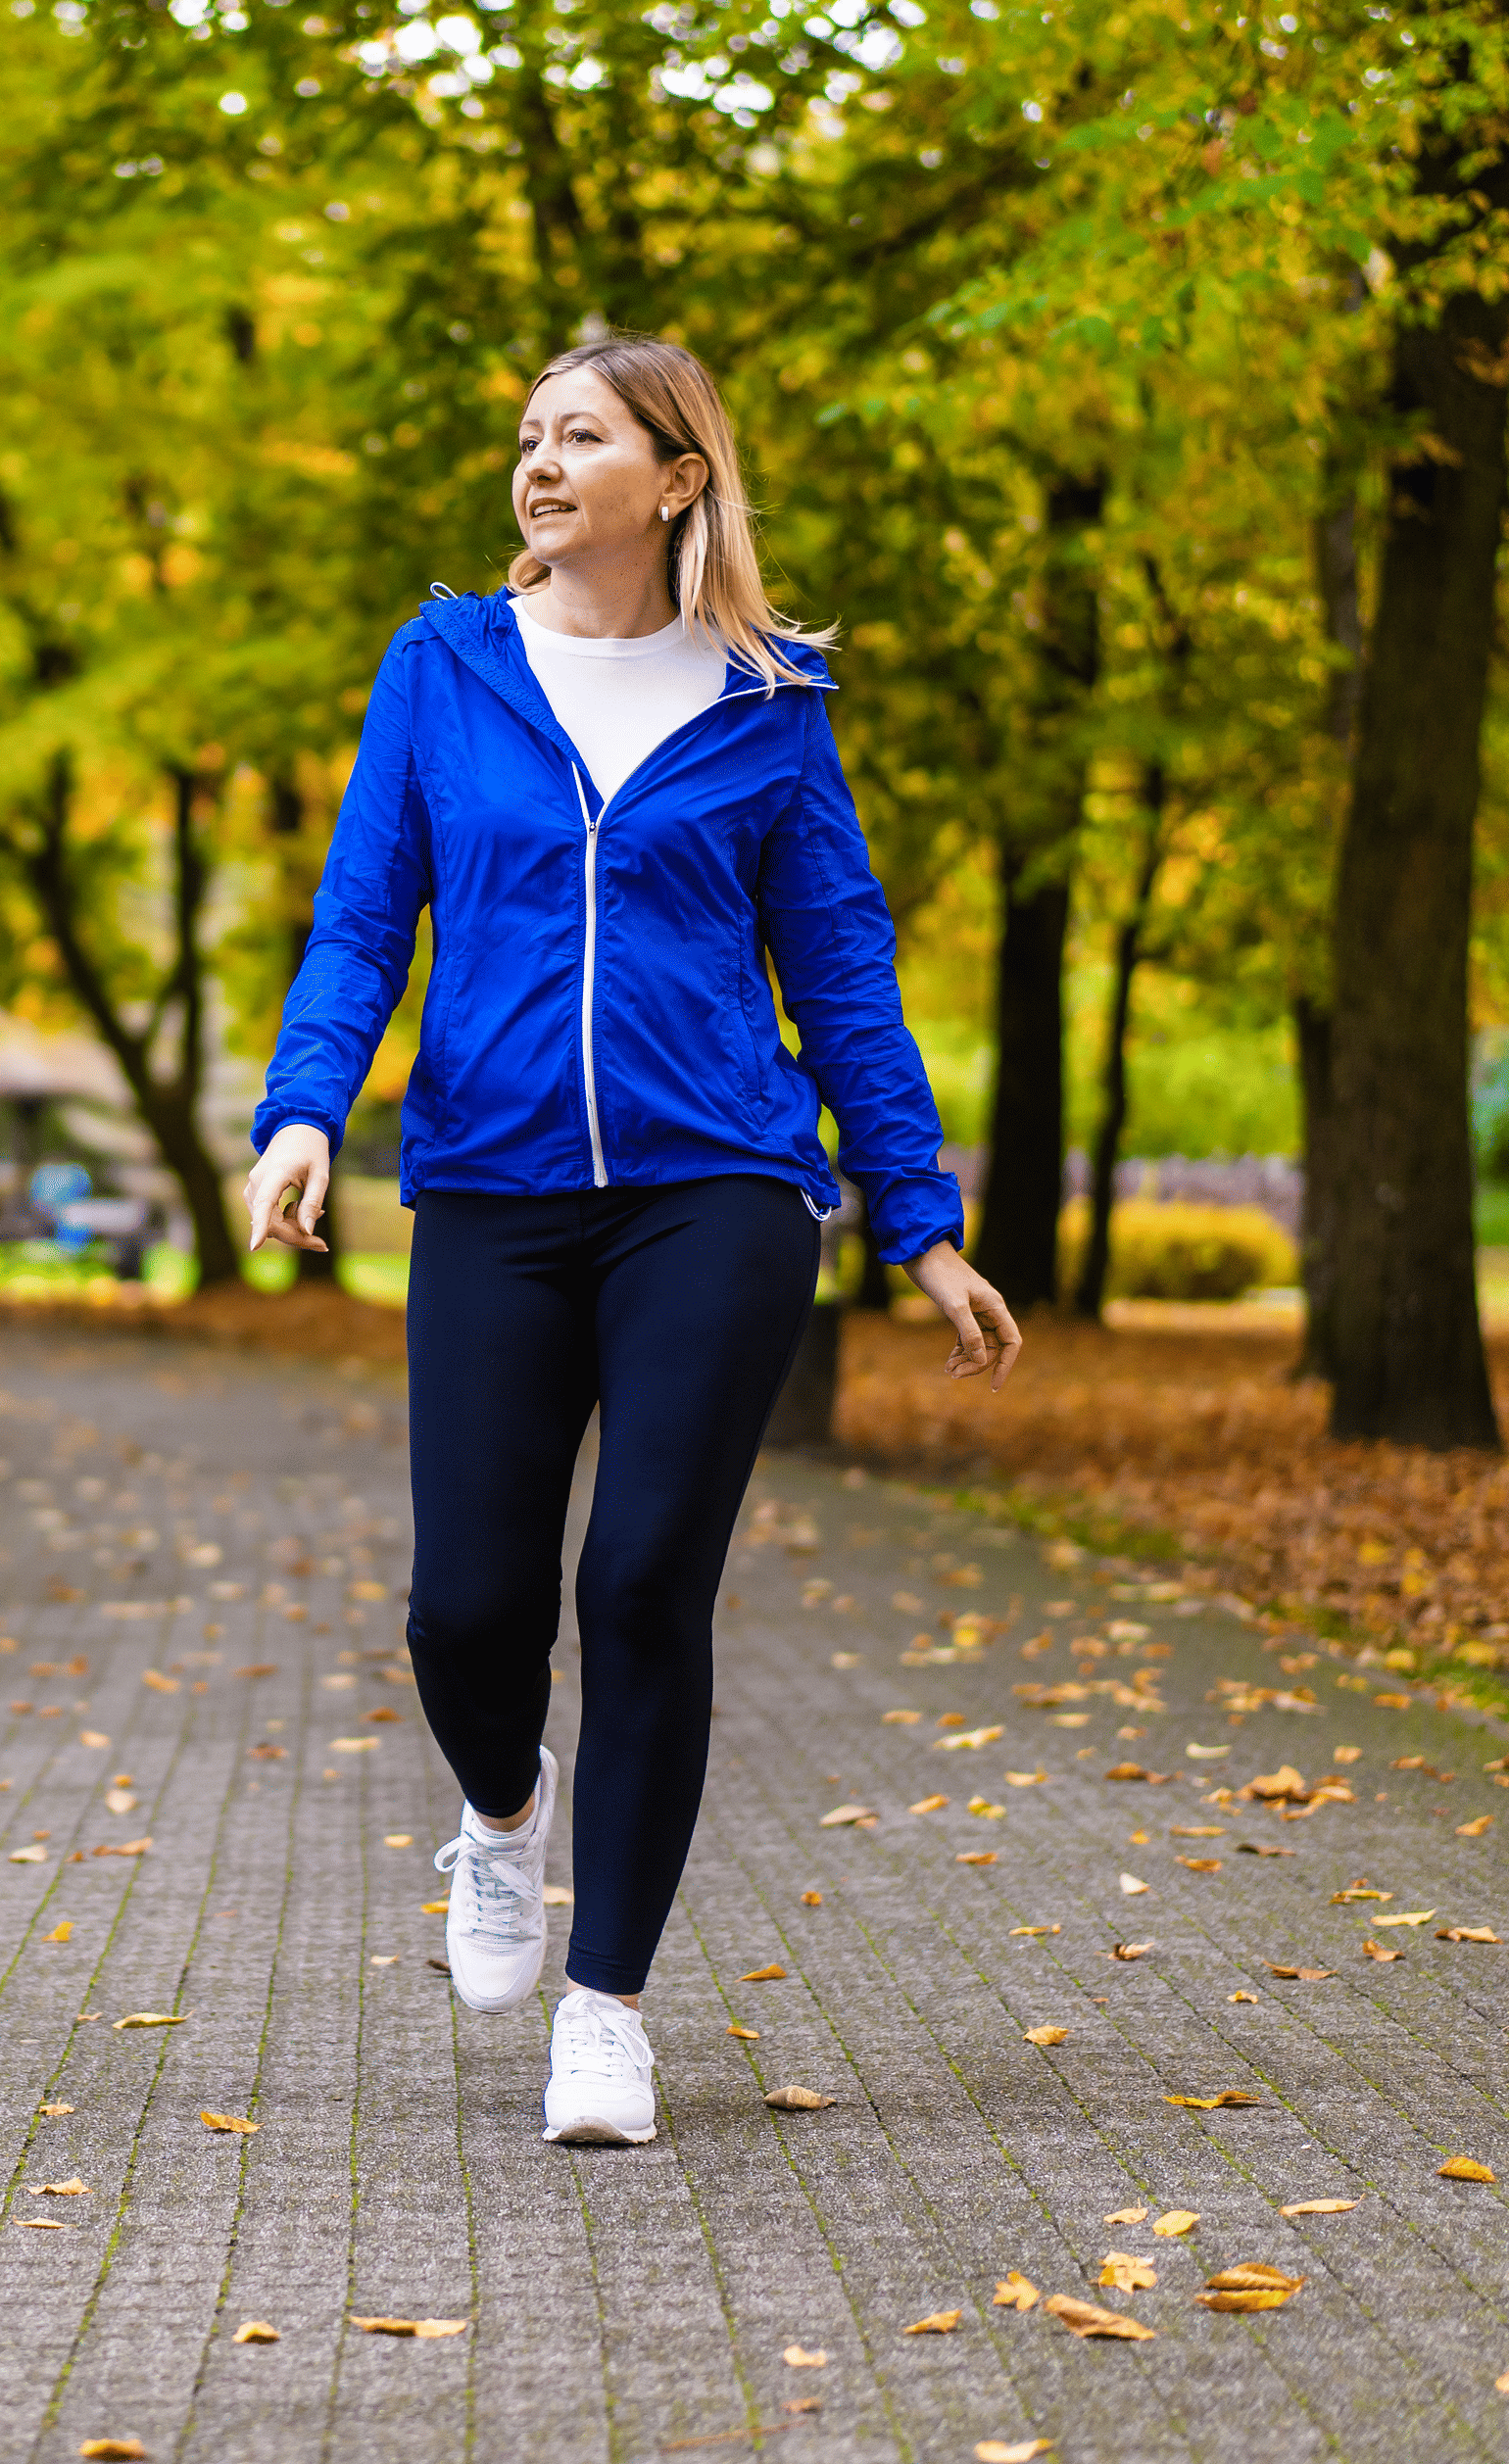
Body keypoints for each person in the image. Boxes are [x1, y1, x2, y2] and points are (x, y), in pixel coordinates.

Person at [242, 334, 1023, 2150]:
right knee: (473, 1607)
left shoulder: (771, 700)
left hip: (720, 1192)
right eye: (527, 434)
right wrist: (303, 1110)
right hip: (496, 1190)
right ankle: (502, 1821)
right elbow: (365, 917)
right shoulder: (443, 669)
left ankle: (611, 2014)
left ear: (677, 477)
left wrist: (921, 1220)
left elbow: (839, 968)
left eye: (580, 435)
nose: (537, 462)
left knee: (647, 1580)